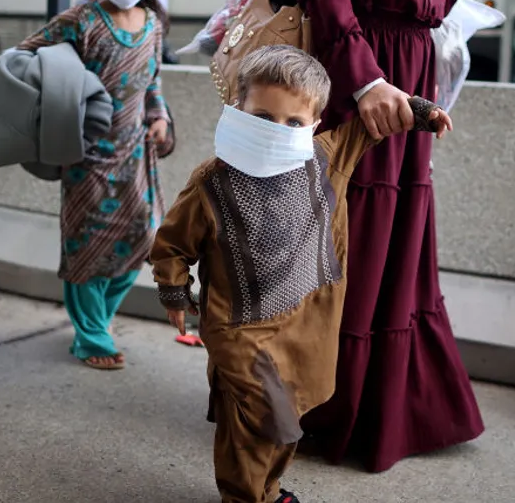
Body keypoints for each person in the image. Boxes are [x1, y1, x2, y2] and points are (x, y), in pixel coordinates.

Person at [270, 0, 484, 473]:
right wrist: (365, 80)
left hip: (403, 89)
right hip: (357, 88)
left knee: (393, 244)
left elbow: (439, 2)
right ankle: (320, 408)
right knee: (350, 242)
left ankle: (378, 410)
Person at [151, 45, 453, 503]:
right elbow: (172, 244)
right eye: (263, 116)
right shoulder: (212, 182)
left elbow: (375, 124)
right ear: (236, 110)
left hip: (303, 325)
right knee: (260, 417)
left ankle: (267, 488)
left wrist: (421, 110)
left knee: (288, 419)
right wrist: (175, 293)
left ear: (313, 124)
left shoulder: (325, 158)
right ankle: (244, 495)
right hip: (240, 329)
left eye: (293, 122)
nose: (278, 131)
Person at [16, 0, 173, 370]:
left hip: (137, 156)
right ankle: (91, 337)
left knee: (143, 240)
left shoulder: (153, 24)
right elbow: (24, 59)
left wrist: (159, 118)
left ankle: (98, 321)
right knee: (86, 246)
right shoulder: (80, 21)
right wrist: (65, 103)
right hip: (86, 159)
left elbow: (152, 81)